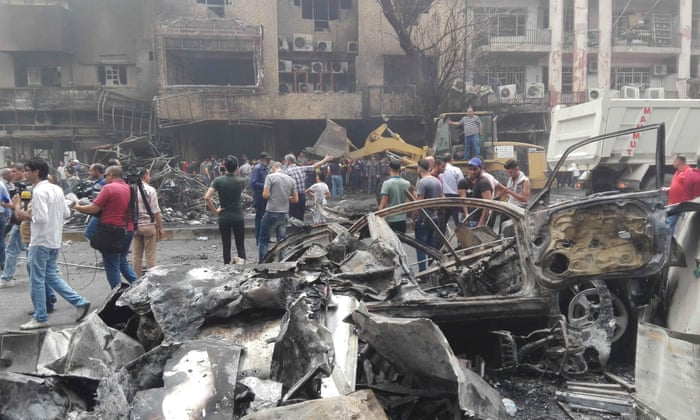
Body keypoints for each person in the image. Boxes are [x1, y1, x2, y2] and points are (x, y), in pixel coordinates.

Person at [12, 157, 90, 330]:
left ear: (36, 172)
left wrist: (22, 212)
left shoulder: (39, 192)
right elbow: (66, 213)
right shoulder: (56, 189)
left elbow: (40, 218)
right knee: (50, 276)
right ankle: (79, 302)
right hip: (54, 240)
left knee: (37, 280)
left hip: (40, 241)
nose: (24, 173)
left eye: (26, 170)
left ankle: (41, 316)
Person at [75, 166, 138, 289]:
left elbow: (94, 208)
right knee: (122, 261)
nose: (105, 178)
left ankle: (117, 294)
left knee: (112, 264)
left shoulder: (108, 188)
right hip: (128, 229)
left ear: (111, 175)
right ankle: (139, 287)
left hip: (112, 231)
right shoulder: (130, 189)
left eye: (106, 176)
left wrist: (78, 207)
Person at [205, 156, 247, 265]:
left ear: (224, 166)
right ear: (237, 167)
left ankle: (226, 268)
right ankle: (242, 268)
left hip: (224, 217)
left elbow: (207, 198)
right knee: (240, 245)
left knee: (226, 246)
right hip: (238, 217)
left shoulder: (218, 180)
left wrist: (215, 211)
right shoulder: (241, 181)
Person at [258, 161, 298, 262]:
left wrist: (274, 195)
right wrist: (285, 196)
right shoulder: (291, 180)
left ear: (274, 167)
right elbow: (295, 200)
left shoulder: (270, 177)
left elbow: (265, 195)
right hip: (284, 213)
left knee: (263, 239)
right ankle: (282, 262)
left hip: (271, 212)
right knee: (282, 240)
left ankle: (263, 264)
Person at [0, 164, 29, 288]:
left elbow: (22, 205)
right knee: (28, 249)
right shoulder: (16, 186)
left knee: (12, 249)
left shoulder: (25, 186)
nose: (12, 174)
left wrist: (10, 206)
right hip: (20, 221)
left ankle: (7, 277)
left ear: (22, 171)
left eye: (14, 171)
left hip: (22, 221)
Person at [131, 168, 164, 277]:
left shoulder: (130, 190)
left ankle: (136, 280)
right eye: (149, 175)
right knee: (150, 256)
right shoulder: (150, 190)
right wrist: (161, 228)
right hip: (149, 226)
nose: (149, 177)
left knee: (136, 256)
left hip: (135, 227)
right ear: (145, 176)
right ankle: (152, 279)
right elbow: (156, 211)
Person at [412, 159, 443, 271]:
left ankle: (423, 272)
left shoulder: (422, 182)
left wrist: (413, 219)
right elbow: (441, 199)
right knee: (431, 247)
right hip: (434, 217)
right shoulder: (437, 181)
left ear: (420, 168)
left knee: (420, 247)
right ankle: (432, 270)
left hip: (423, 219)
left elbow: (418, 205)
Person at [284, 153, 331, 222]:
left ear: (287, 162)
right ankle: (301, 226)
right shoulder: (301, 168)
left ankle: (296, 228)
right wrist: (325, 159)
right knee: (301, 215)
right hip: (302, 196)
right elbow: (314, 166)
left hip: (293, 197)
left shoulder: (286, 172)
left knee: (294, 217)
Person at [457, 157, 493, 228]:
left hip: (478, 219)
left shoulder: (483, 182)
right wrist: (466, 214)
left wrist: (481, 223)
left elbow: (487, 204)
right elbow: (463, 200)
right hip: (471, 218)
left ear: (481, 168)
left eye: (475, 169)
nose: (472, 172)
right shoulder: (474, 182)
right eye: (470, 169)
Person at [378, 158, 411, 233]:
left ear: (389, 169)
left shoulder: (387, 184)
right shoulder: (407, 183)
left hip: (391, 219)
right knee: (401, 240)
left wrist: (378, 217)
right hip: (402, 219)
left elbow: (383, 204)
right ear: (400, 169)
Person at [664, 155, 692, 233]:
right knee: (669, 224)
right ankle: (668, 240)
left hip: (684, 204)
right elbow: (678, 185)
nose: (672, 162)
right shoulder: (677, 172)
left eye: (674, 160)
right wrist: (670, 189)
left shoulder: (689, 171)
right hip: (674, 204)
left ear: (679, 161)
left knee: (687, 225)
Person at [437, 154, 465, 231]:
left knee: (443, 221)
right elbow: (461, 183)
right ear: (451, 160)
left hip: (443, 197)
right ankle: (461, 238)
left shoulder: (440, 170)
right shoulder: (456, 170)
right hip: (455, 198)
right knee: (458, 222)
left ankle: (441, 238)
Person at [250, 152, 271, 245]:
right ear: (262, 160)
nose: (269, 161)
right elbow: (253, 183)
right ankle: (259, 239)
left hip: (265, 196)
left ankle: (265, 238)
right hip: (259, 196)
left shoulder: (266, 169)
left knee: (266, 218)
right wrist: (266, 186)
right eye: (267, 159)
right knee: (259, 218)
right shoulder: (257, 169)